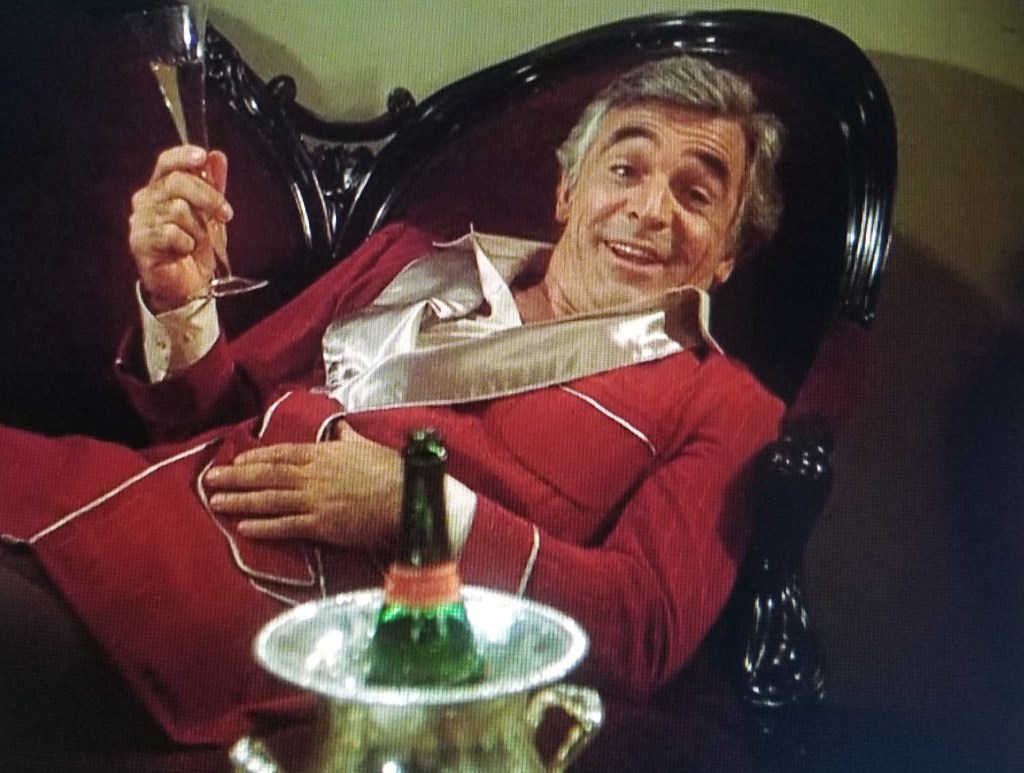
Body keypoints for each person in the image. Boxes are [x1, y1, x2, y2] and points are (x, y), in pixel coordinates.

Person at [0, 55, 785, 748]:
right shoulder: (405, 259)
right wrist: (180, 301)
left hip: (278, 608)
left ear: (727, 255)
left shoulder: (724, 402)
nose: (650, 209)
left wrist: (414, 509)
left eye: (695, 193)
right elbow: (210, 417)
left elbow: (641, 630)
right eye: (625, 169)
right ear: (566, 191)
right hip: (141, 496)